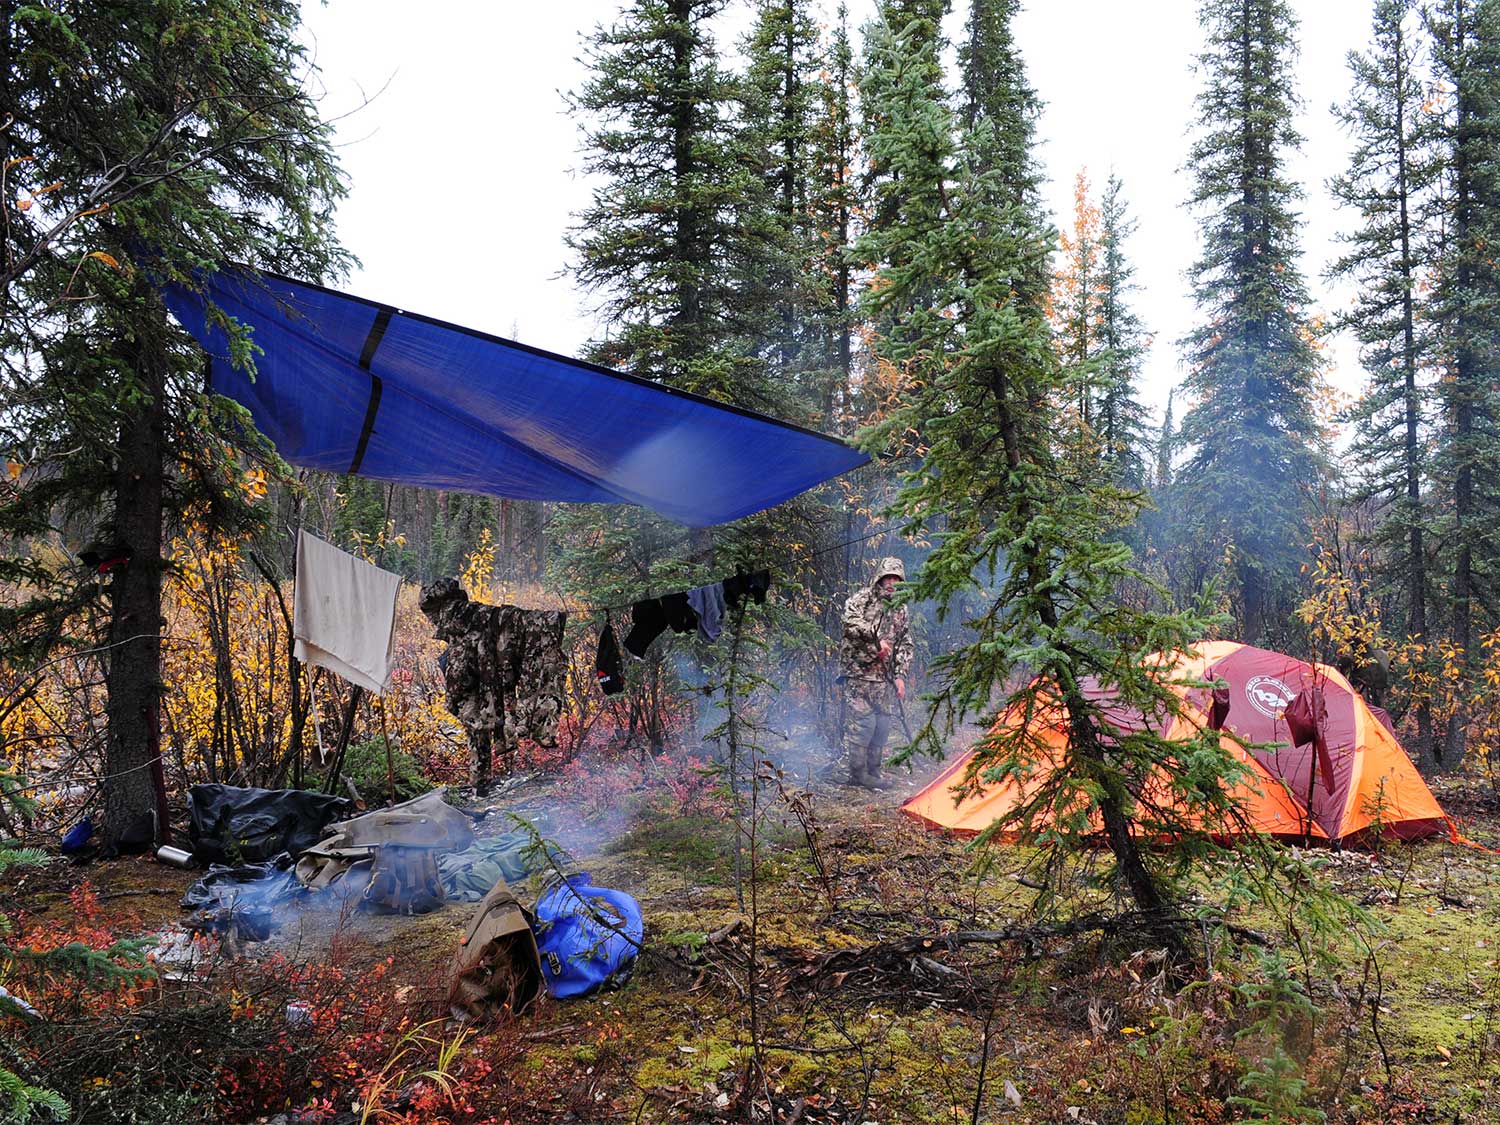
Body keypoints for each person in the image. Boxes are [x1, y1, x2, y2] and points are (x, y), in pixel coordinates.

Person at [840, 557, 913, 789]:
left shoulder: (901, 609)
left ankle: (874, 773)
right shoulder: (863, 599)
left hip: (883, 678)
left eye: (896, 578)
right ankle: (858, 775)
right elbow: (850, 623)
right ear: (879, 578)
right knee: (863, 724)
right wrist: (875, 639)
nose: (892, 583)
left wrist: (900, 675)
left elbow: (905, 643)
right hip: (858, 673)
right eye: (888, 577)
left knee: (882, 724)